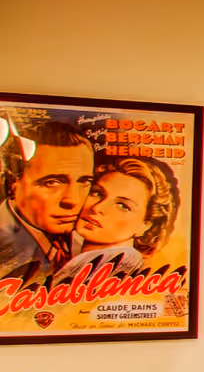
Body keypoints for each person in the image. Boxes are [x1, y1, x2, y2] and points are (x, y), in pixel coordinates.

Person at [49, 156, 181, 286]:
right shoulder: (75, 255)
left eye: (123, 206)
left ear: (146, 225)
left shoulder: (117, 265)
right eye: (97, 193)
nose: (97, 208)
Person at [0, 115, 95, 285]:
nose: (72, 200)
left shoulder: (88, 241)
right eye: (52, 182)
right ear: (12, 183)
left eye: (84, 181)